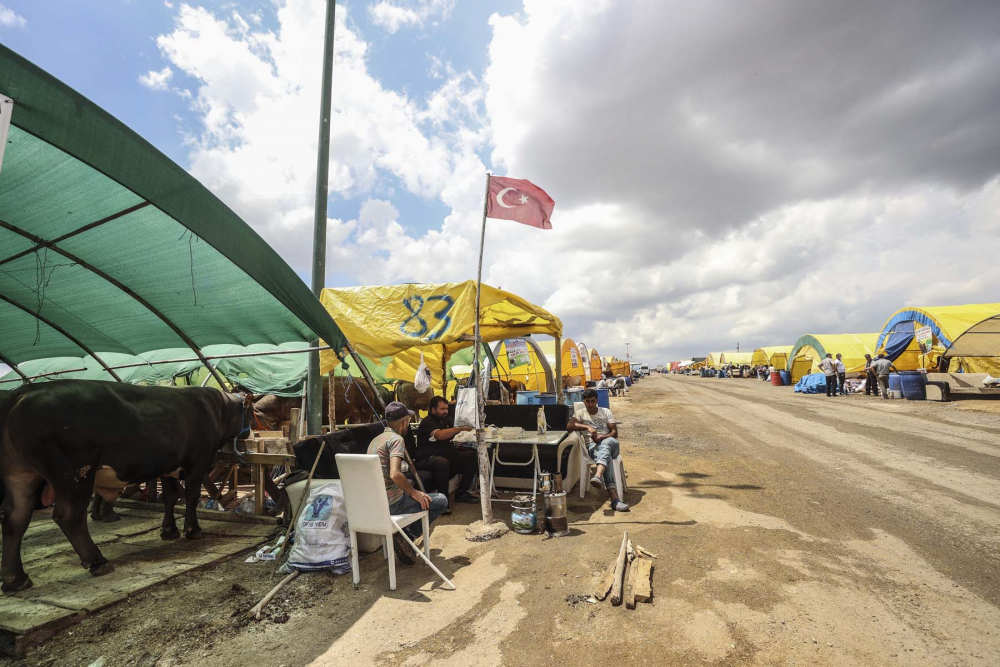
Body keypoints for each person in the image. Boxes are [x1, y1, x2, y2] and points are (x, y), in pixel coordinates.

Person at [367, 401, 449, 564]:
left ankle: (403, 533)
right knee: (440, 500)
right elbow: (396, 474)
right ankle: (408, 535)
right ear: (405, 422)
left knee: (410, 484)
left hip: (375, 502)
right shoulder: (396, 440)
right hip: (392, 503)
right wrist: (414, 493)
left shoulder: (376, 440)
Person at [568, 388, 629, 512]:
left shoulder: (605, 412)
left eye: (593, 401)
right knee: (606, 458)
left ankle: (598, 475)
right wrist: (587, 427)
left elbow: (614, 433)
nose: (590, 404)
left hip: (612, 443)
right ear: (584, 402)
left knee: (606, 445)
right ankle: (614, 498)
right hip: (593, 447)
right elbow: (569, 425)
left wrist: (602, 437)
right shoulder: (580, 413)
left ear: (597, 401)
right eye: (588, 401)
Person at [415, 396, 480, 506]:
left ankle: (462, 493)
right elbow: (439, 435)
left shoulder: (447, 419)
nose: (445, 411)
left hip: (445, 454)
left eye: (446, 408)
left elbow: (456, 428)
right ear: (433, 410)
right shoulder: (427, 422)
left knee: (472, 456)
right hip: (427, 458)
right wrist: (460, 429)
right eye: (442, 409)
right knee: (442, 463)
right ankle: (443, 502)